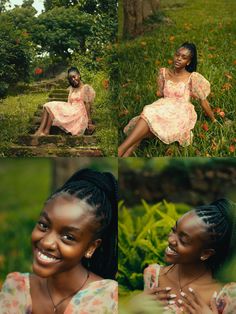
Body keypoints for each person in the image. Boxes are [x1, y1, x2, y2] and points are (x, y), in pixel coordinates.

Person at [0, 169, 118, 313]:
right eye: (44, 225)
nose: (46, 242)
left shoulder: (107, 299)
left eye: (68, 237)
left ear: (91, 247)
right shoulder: (16, 289)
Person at [118, 42, 217, 157]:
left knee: (148, 116)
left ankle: (121, 149)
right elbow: (160, 94)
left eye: (184, 57)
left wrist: (213, 119)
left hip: (180, 112)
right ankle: (124, 154)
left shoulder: (192, 77)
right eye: (177, 55)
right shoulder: (163, 72)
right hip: (163, 107)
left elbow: (203, 101)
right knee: (148, 115)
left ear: (188, 62)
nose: (178, 59)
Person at [143, 199, 236, 314]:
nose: (171, 240)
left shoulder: (227, 296)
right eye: (174, 230)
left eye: (183, 240)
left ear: (206, 253)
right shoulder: (153, 276)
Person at [34, 67, 96, 137]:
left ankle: (42, 131)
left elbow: (87, 105)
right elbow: (69, 103)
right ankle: (44, 130)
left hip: (79, 113)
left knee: (52, 106)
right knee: (48, 106)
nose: (73, 79)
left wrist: (89, 121)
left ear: (79, 75)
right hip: (71, 110)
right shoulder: (72, 89)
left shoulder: (86, 88)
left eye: (74, 77)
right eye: (70, 79)